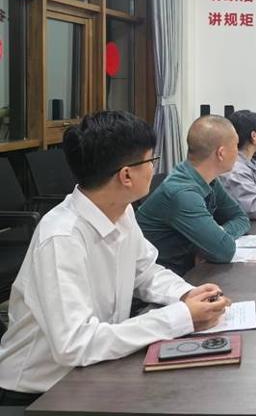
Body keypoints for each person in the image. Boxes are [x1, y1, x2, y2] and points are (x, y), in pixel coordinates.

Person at [0, 111, 229, 406]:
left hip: (92, 370)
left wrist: (186, 294)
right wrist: (180, 317)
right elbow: (75, 344)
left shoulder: (121, 210)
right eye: (151, 161)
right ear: (126, 175)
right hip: (37, 393)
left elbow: (145, 271)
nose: (154, 169)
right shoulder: (61, 238)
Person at [137, 115, 251, 275]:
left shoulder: (208, 180)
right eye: (236, 146)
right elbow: (225, 250)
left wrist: (220, 233)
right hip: (164, 280)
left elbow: (241, 218)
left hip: (188, 272)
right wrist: (216, 240)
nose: (238, 152)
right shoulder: (182, 193)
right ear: (221, 153)